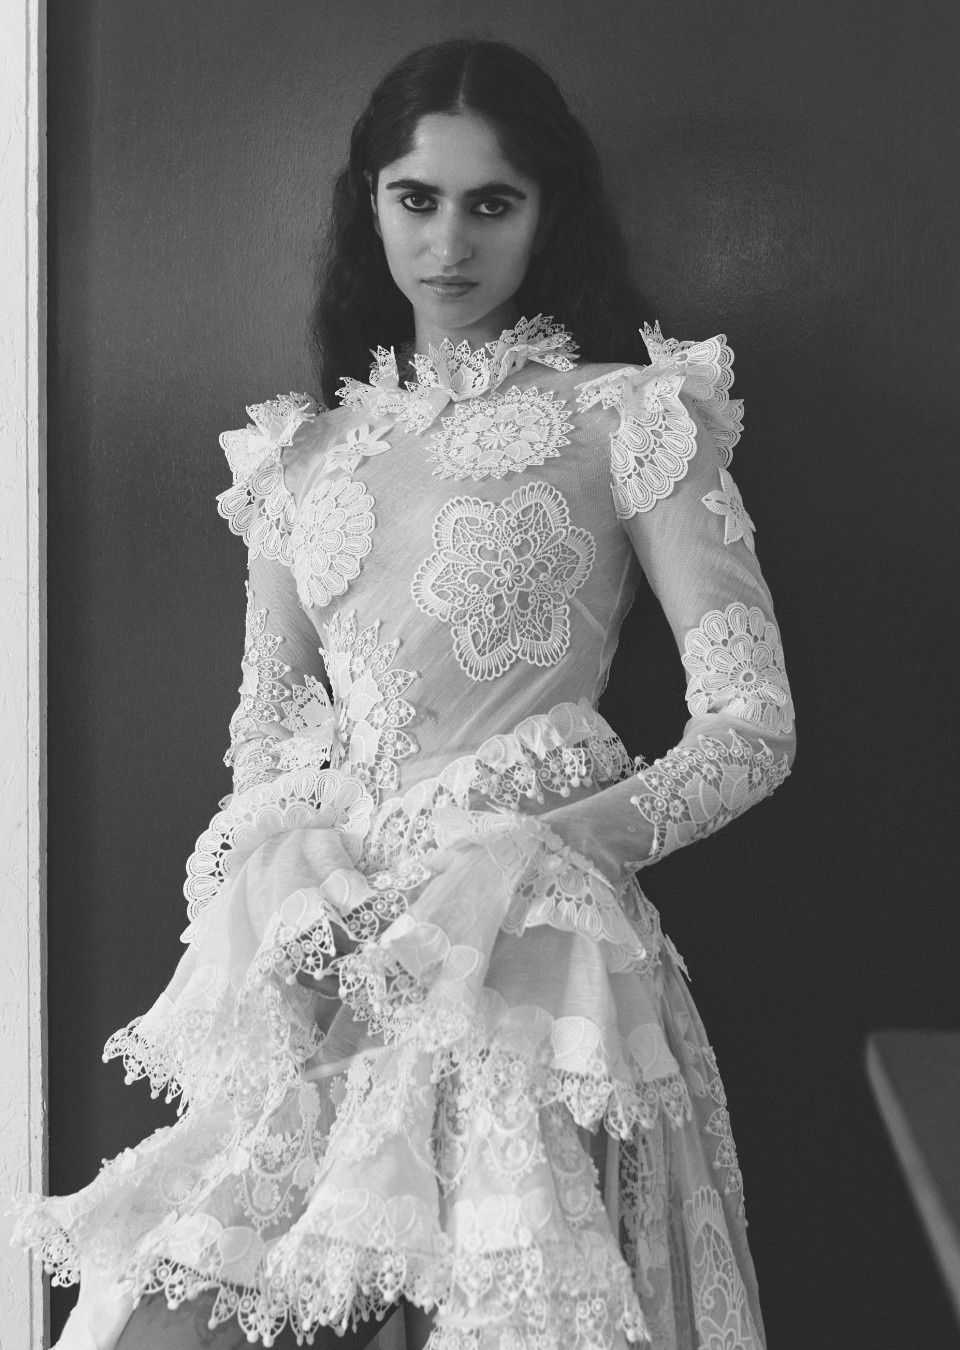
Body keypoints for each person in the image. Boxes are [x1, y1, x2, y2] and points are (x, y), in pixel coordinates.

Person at [12, 36, 796, 1350]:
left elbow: (751, 726)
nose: (449, 241)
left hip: (528, 969)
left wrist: (542, 851)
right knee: (154, 1322)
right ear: (369, 202)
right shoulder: (301, 461)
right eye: (416, 198)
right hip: (338, 971)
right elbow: (270, 747)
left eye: (492, 202)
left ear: (546, 212)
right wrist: (297, 883)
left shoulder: (629, 417)